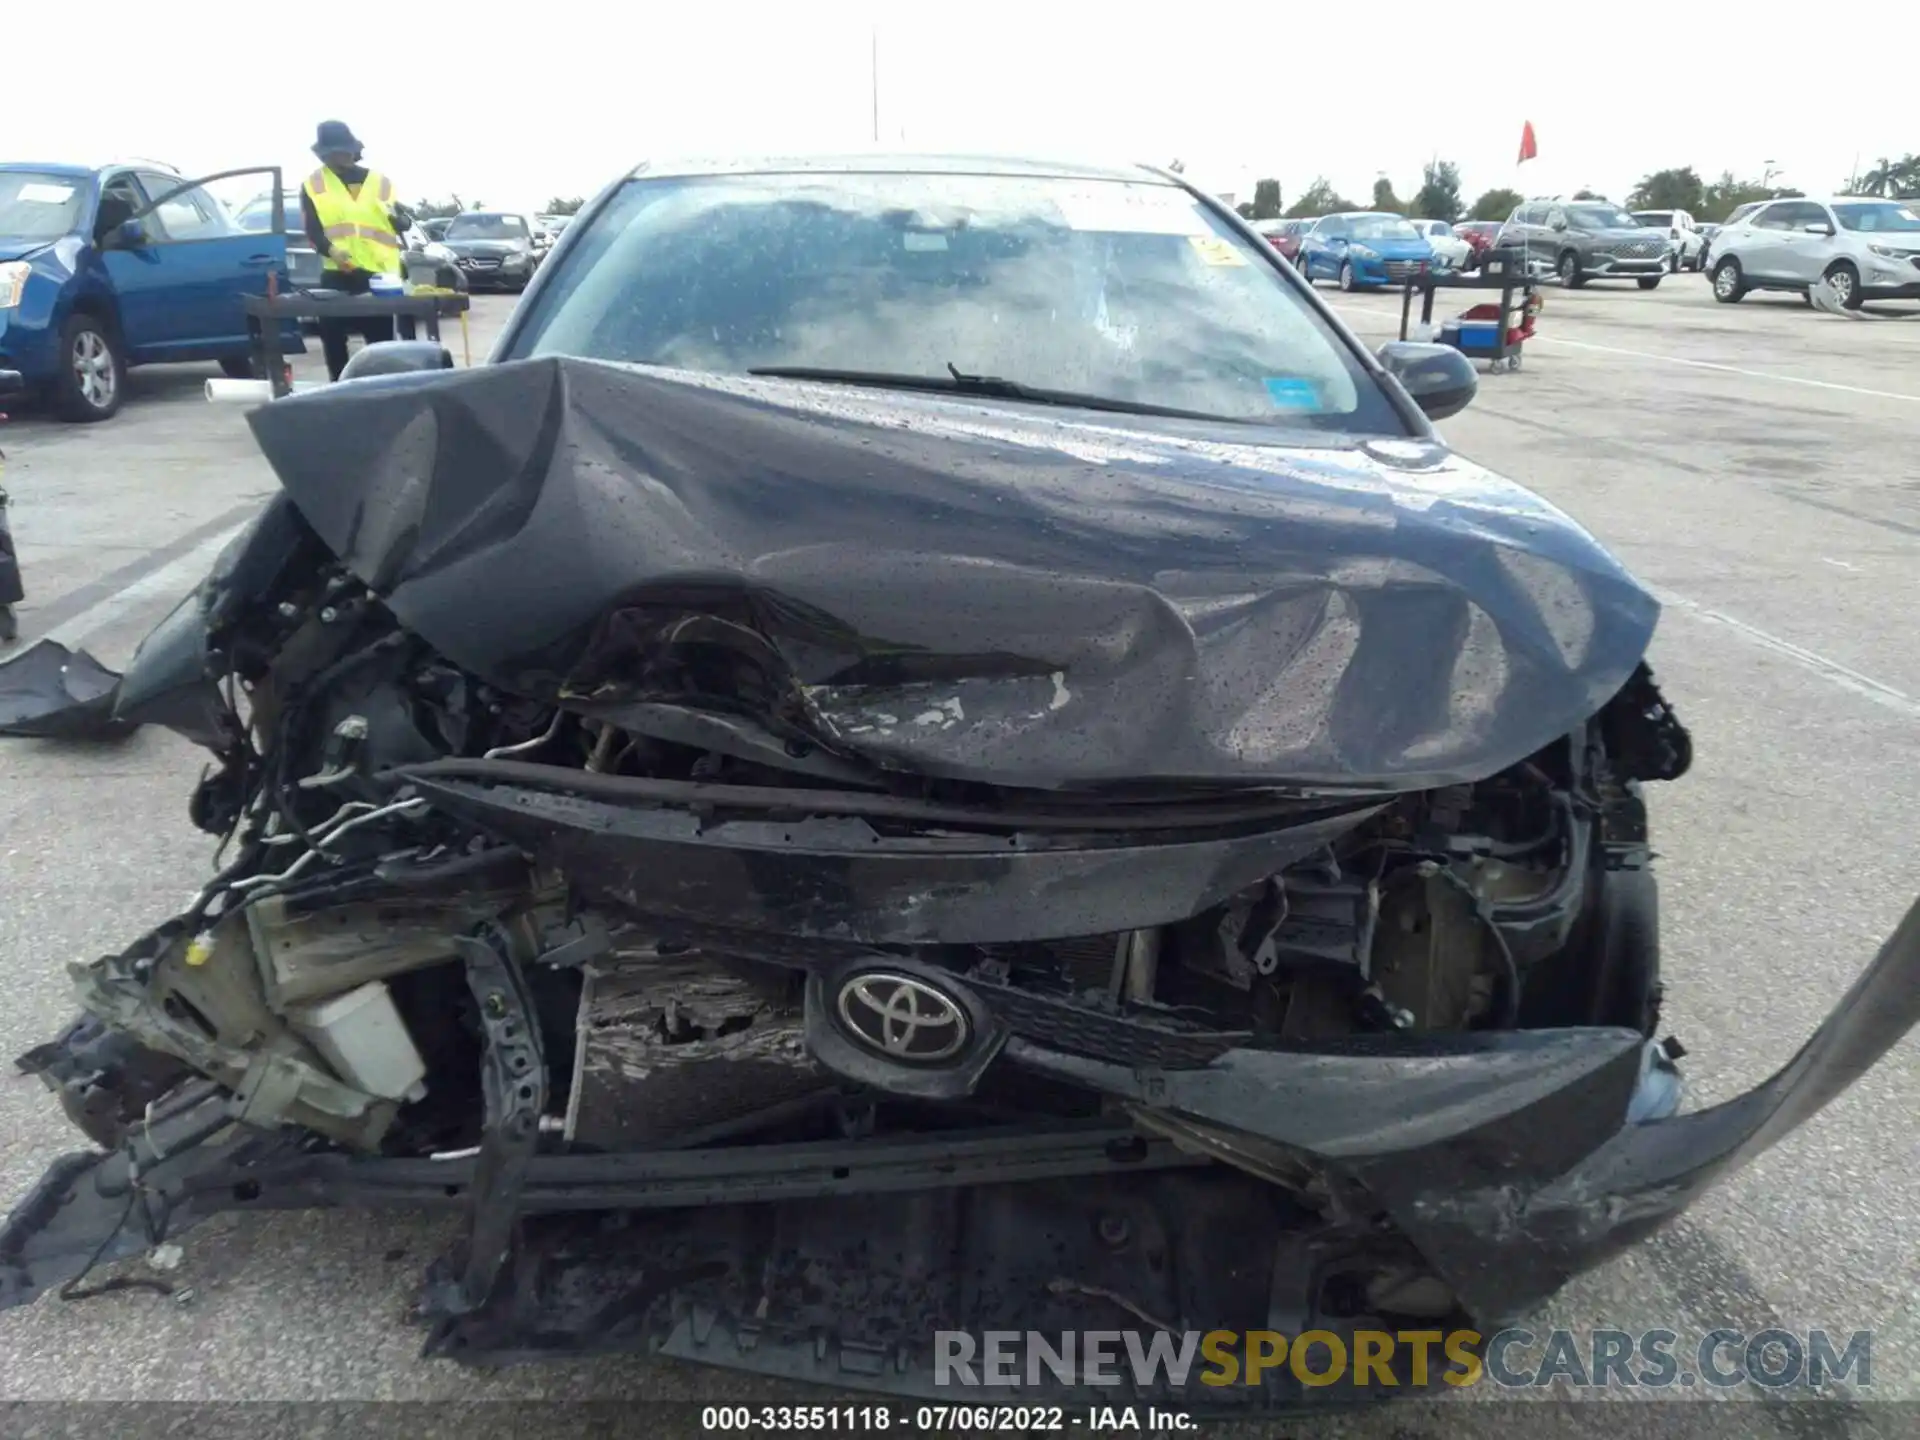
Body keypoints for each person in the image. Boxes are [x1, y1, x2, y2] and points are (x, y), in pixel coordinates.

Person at [300, 120, 415, 380]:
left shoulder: (380, 182)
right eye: (332, 153)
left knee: (381, 346)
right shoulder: (313, 185)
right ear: (323, 154)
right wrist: (331, 250)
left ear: (354, 149)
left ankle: (380, 391)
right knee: (333, 342)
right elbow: (313, 230)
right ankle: (339, 392)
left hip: (379, 277)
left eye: (344, 150)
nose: (340, 156)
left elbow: (401, 219)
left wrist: (401, 222)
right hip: (337, 275)